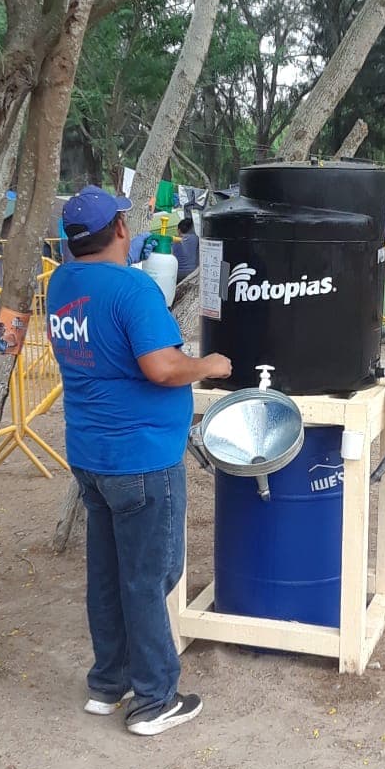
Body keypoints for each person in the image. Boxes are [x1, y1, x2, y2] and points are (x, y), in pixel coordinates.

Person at [46, 185, 232, 737]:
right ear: (123, 229)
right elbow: (161, 367)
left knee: (107, 573)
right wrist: (209, 365)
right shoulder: (133, 289)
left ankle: (109, 683)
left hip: (90, 456)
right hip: (142, 459)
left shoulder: (61, 284)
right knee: (150, 577)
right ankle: (154, 699)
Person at [172, 210, 199, 280]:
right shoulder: (196, 238)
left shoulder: (175, 239)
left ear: (179, 230)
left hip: (178, 274)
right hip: (194, 273)